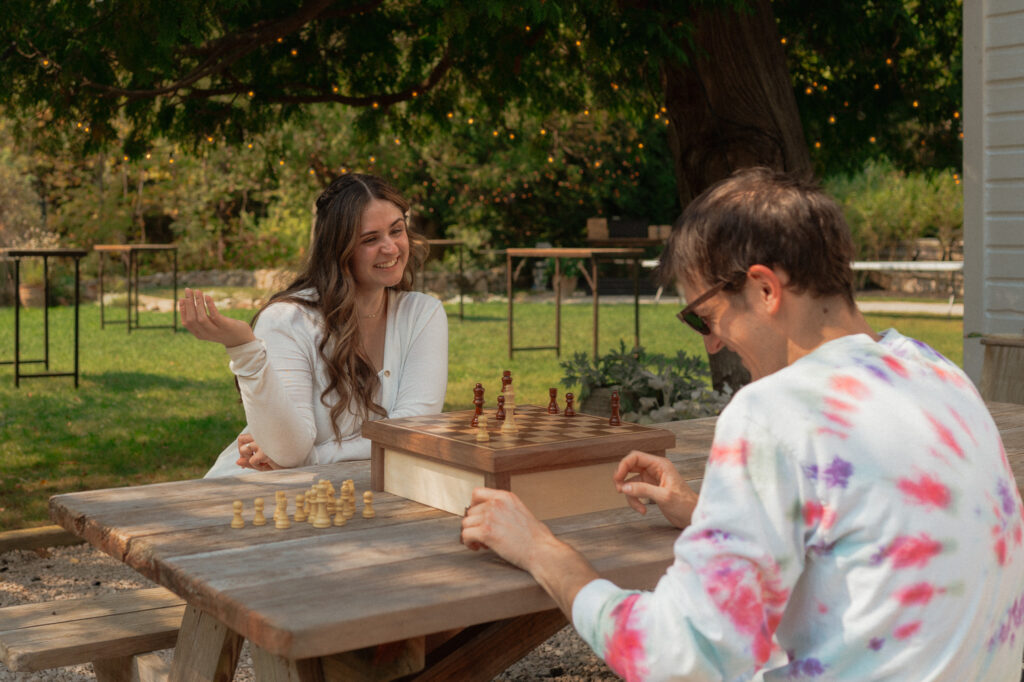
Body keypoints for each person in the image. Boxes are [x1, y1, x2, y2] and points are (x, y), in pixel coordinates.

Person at [461, 168, 1024, 680]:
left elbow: (678, 656)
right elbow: (867, 529)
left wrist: (543, 552)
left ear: (764, 288)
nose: (710, 341)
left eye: (702, 316)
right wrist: (702, 511)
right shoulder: (935, 373)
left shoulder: (776, 412)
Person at [180, 173, 448, 477]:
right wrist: (245, 351)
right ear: (338, 249)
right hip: (262, 492)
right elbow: (288, 451)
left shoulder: (423, 314)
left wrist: (316, 457)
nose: (391, 248)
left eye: (396, 231)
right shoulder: (288, 320)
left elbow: (411, 431)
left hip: (362, 495)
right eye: (370, 239)